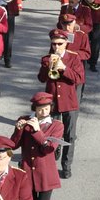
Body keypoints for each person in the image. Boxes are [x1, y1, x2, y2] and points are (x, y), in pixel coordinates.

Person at [11, 93, 63, 200]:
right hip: (27, 173)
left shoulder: (57, 125)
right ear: (34, 109)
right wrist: (19, 129)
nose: (43, 112)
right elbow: (14, 144)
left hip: (46, 175)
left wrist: (37, 131)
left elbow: (48, 149)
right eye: (40, 109)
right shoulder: (25, 120)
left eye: (47, 109)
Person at [37, 31, 84, 179]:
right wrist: (47, 66)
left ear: (66, 44)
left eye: (59, 44)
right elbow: (41, 79)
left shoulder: (74, 58)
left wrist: (64, 68)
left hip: (69, 101)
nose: (56, 47)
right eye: (54, 43)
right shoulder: (46, 58)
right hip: (53, 103)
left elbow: (79, 79)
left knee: (69, 136)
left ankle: (66, 166)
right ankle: (50, 163)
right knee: (51, 134)